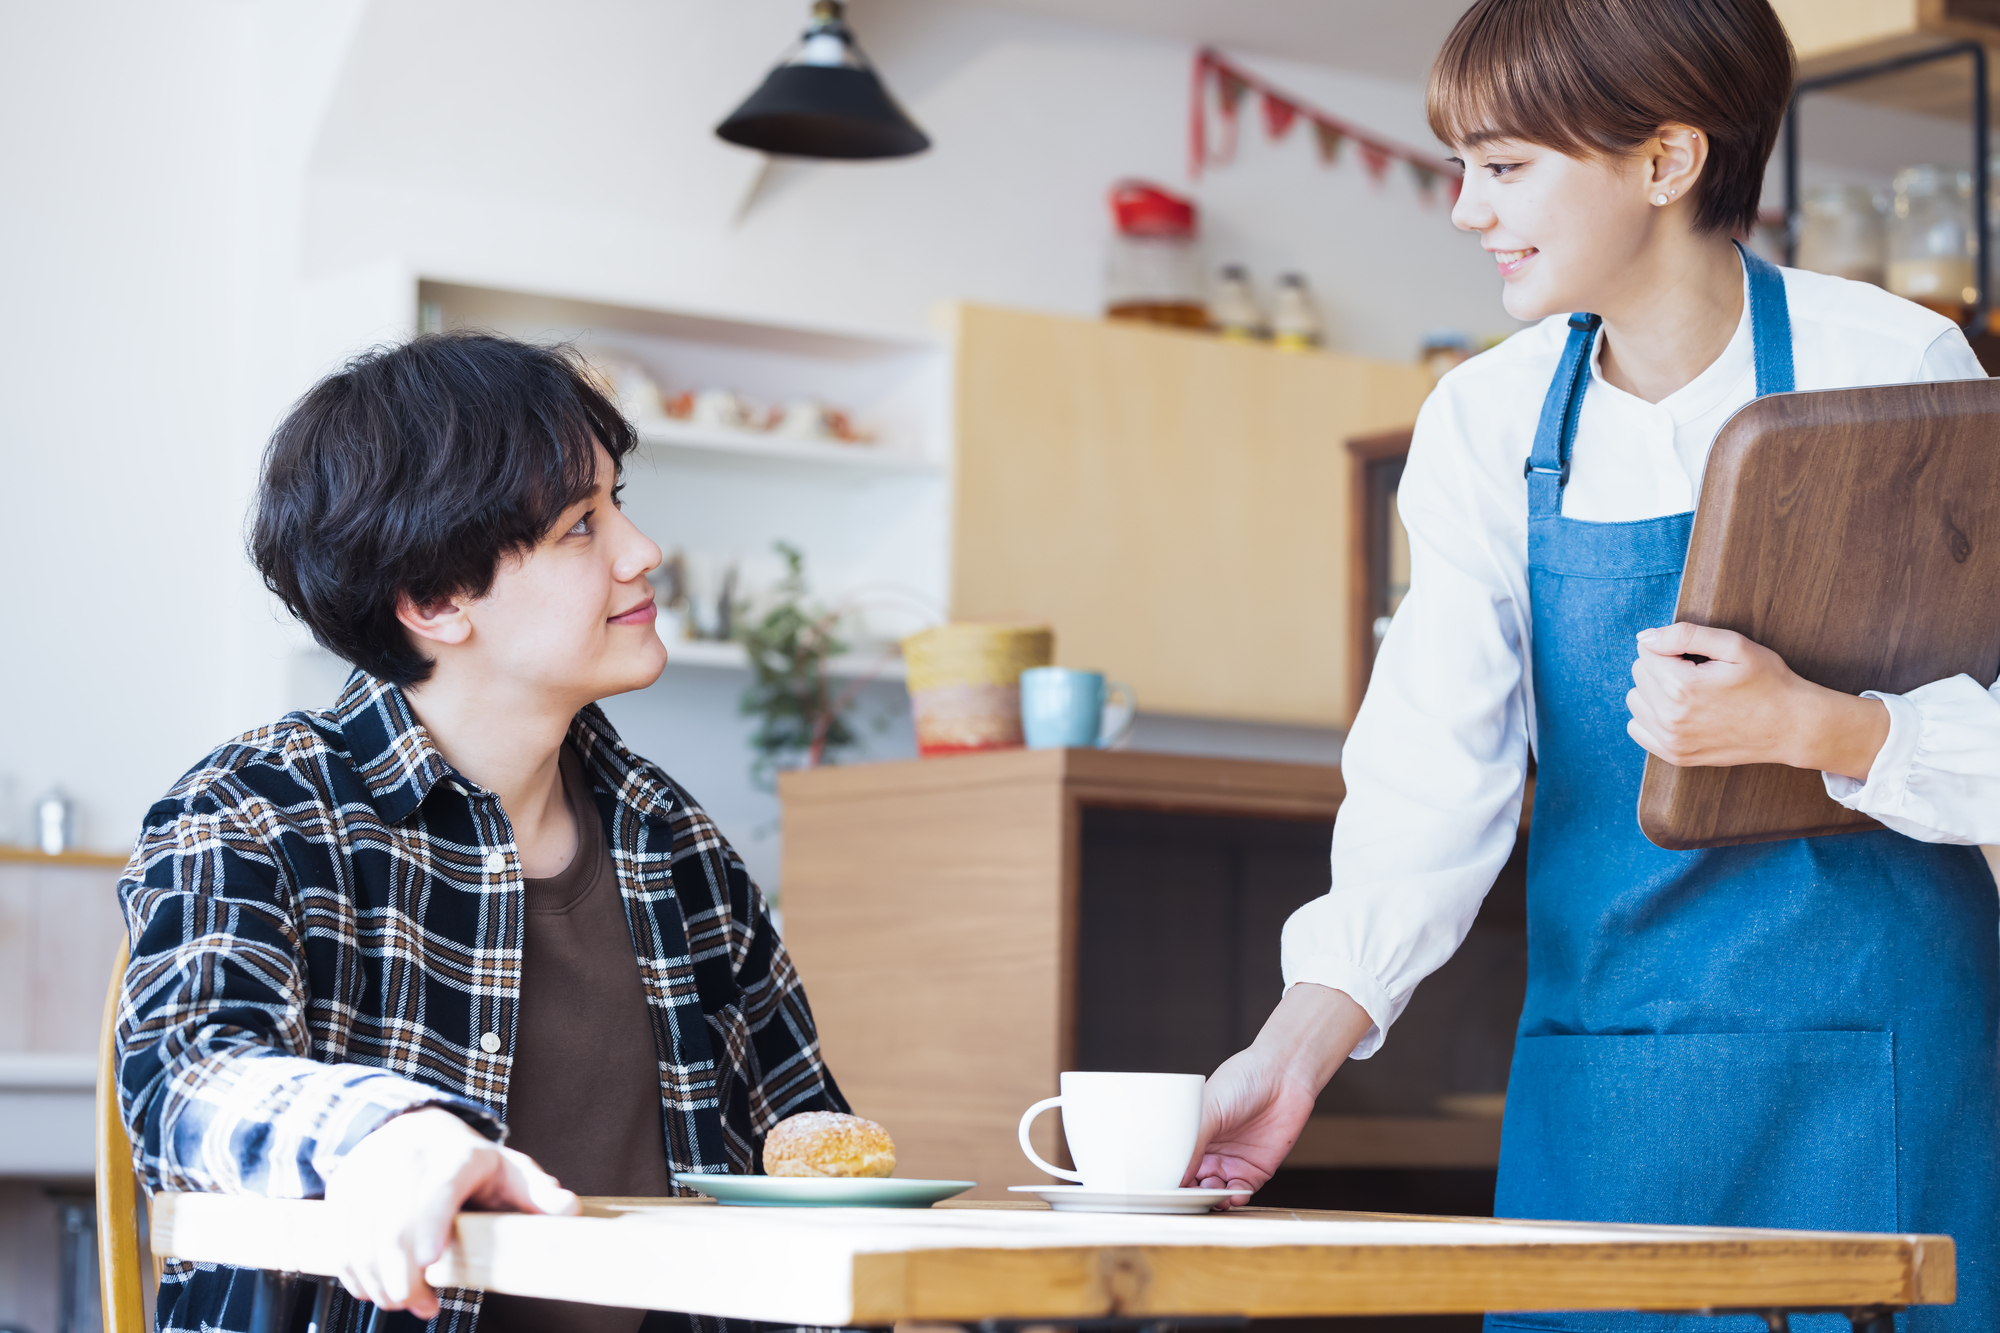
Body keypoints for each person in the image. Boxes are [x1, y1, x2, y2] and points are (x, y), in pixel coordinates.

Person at [1188, 2, 1999, 1329]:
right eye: (1461, 166)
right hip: (1614, 1077)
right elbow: (1425, 783)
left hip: (1888, 1076)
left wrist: (1823, 727)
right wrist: (1288, 1057)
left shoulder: (1892, 364)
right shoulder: (1486, 420)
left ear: (1668, 161)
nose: (1464, 209)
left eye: (1504, 169)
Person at [114, 332, 848, 1333]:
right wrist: (382, 1134)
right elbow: (186, 1074)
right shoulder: (252, 810)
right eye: (581, 526)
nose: (641, 550)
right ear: (432, 599)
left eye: (617, 503)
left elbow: (812, 1157)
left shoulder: (676, 846)